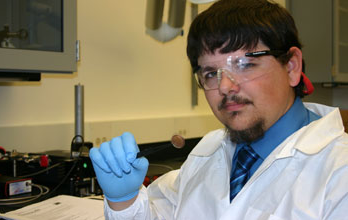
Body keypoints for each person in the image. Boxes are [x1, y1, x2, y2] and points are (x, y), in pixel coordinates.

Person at [89, 0, 348, 219]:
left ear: (292, 67)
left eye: (245, 64)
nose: (224, 86)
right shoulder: (209, 151)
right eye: (211, 72)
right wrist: (124, 201)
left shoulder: (339, 175)